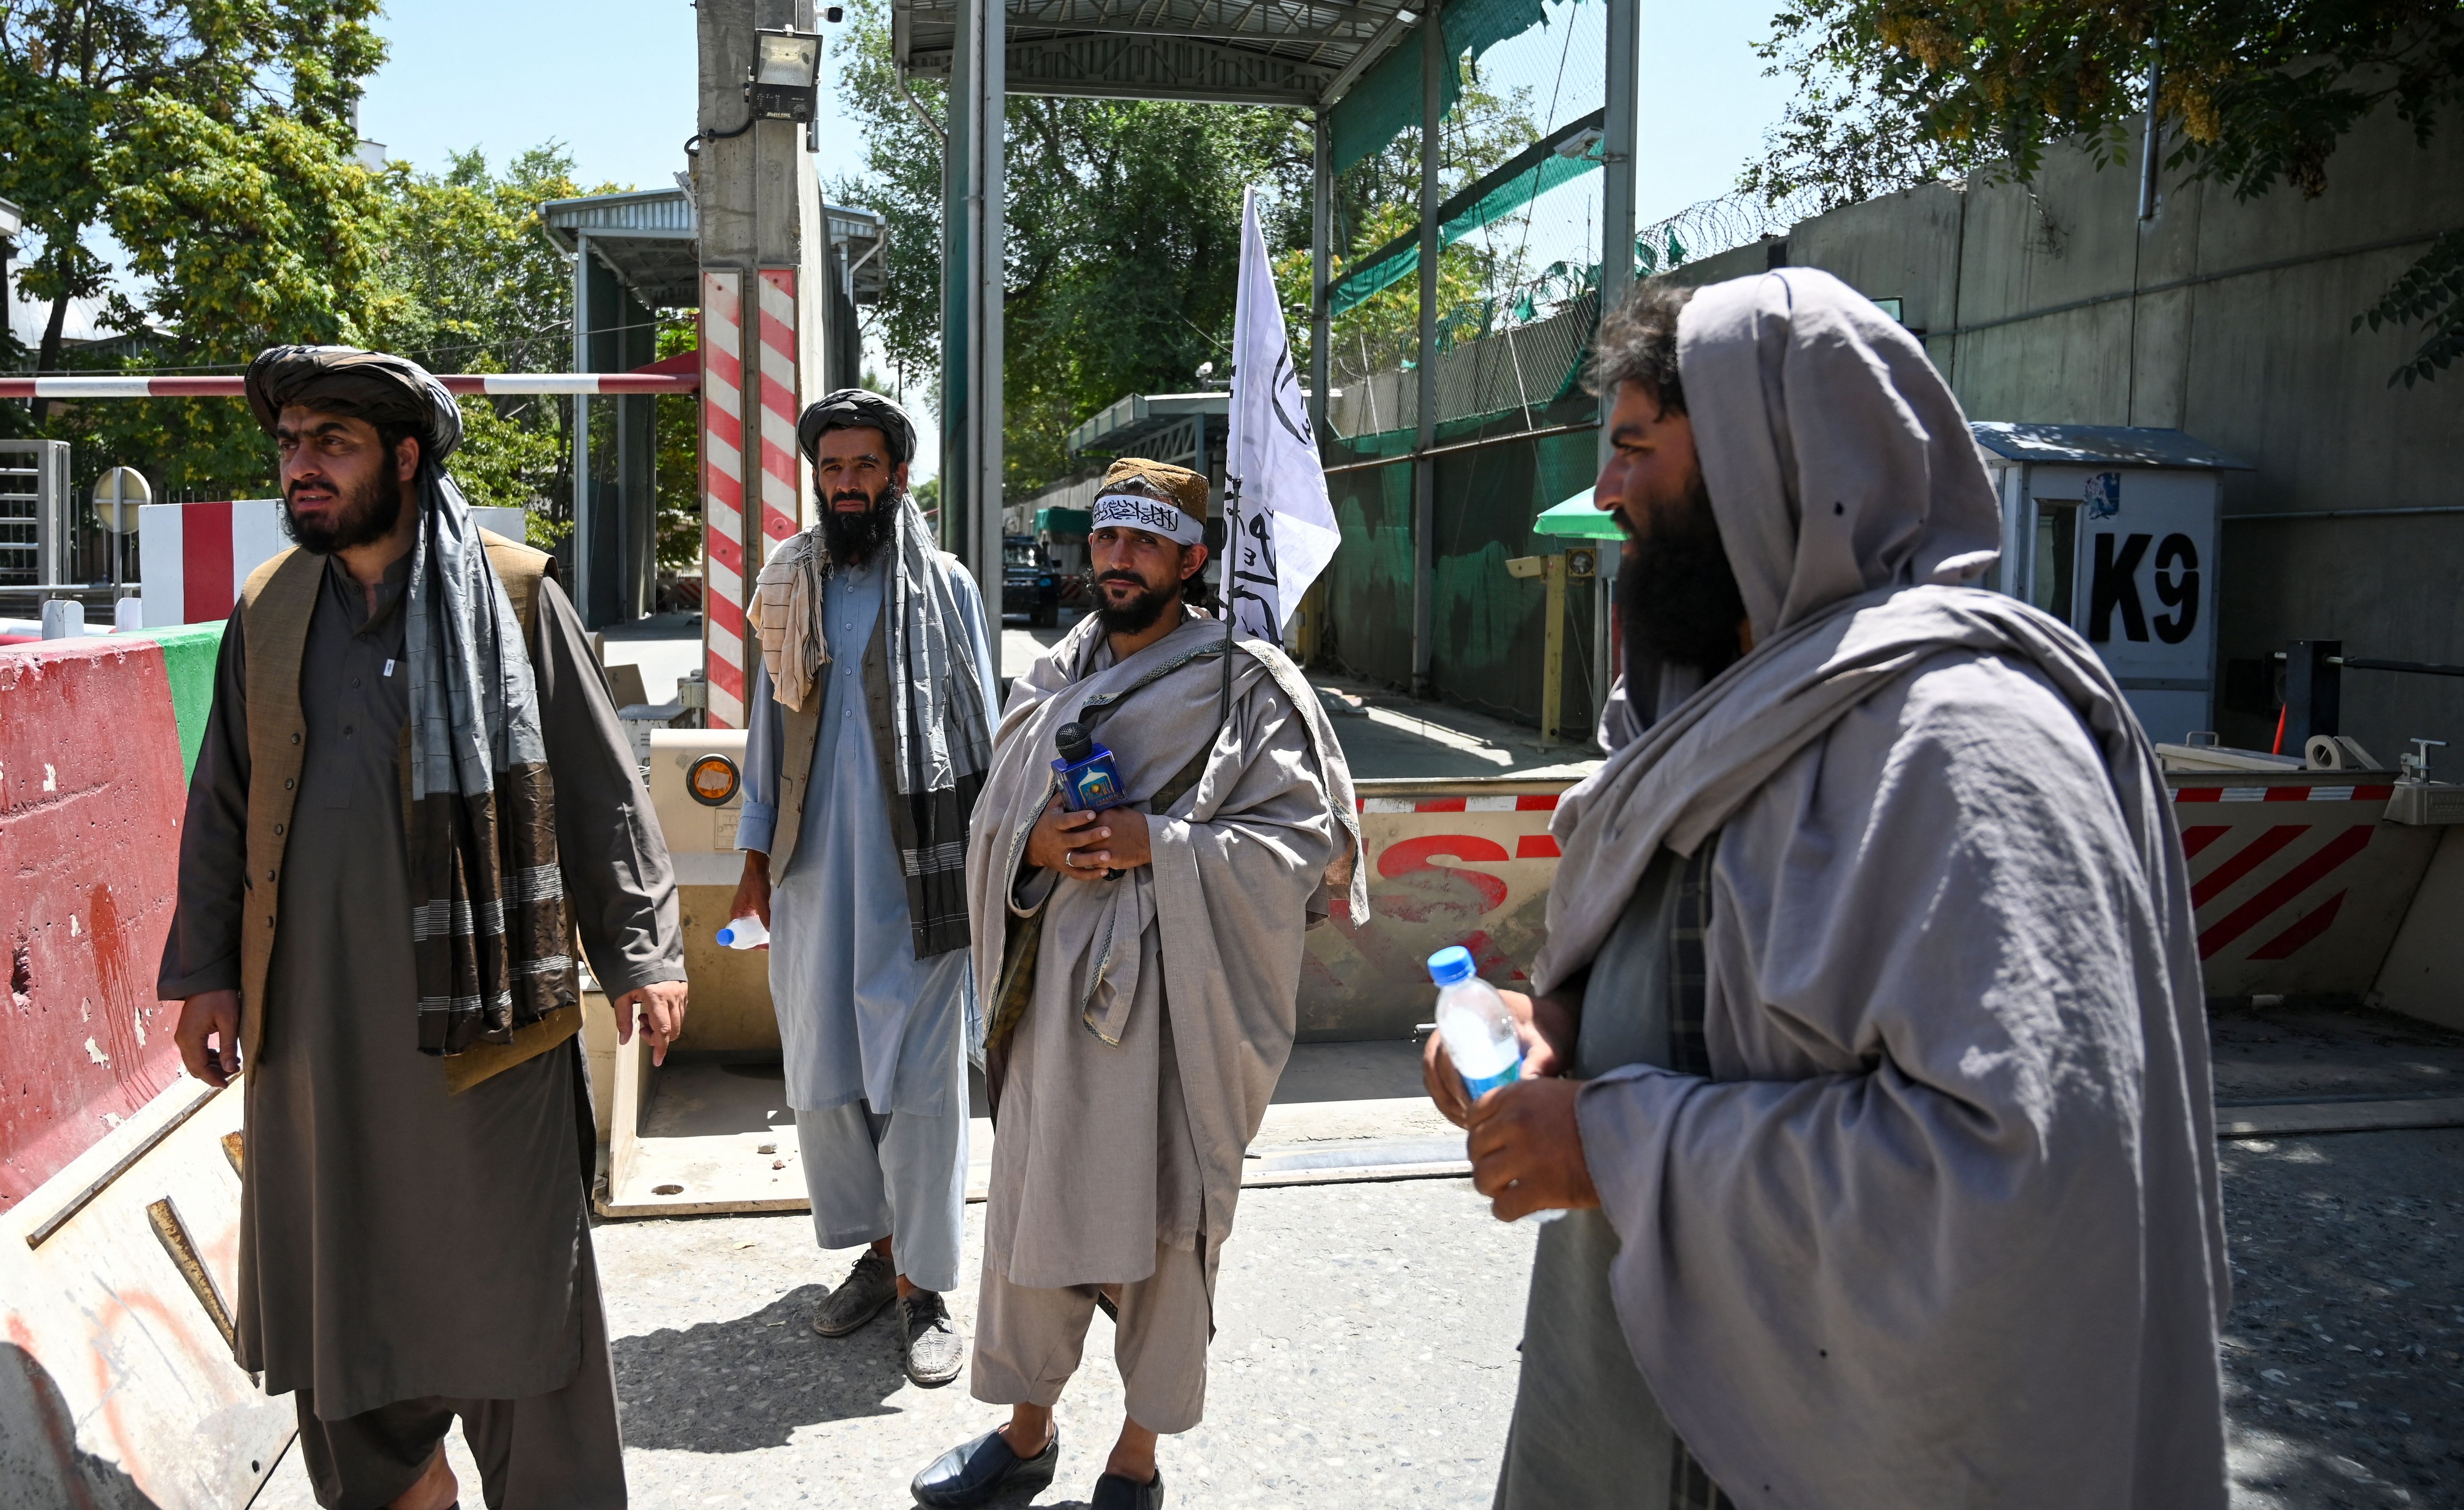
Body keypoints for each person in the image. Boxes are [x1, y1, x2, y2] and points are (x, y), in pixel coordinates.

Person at [1422, 270, 2229, 1509]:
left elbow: (2016, 1180)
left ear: (1777, 464)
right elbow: (1706, 977)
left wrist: (1612, 1142)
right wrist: (1554, 1029)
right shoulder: (1710, 711)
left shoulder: (1964, 745)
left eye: (1637, 448)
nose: (1607, 493)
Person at [159, 345, 688, 1510]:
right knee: (343, 1289)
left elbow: (602, 793)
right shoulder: (272, 607)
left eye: (330, 446)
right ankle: (399, 1490)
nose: (302, 469)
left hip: (484, 1029)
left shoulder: (511, 592)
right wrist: (206, 973)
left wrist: (642, 951)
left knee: (516, 1292)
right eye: (290, 445)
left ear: (403, 459)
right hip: (317, 1036)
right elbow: (225, 804)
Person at [911, 459, 1364, 1510]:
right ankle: (1026, 1435)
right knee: (1035, 1210)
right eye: (1109, 540)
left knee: (1169, 1227)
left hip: (1177, 1004)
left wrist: (1151, 842)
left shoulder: (1241, 685)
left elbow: (1303, 844)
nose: (1119, 560)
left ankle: (1136, 1459)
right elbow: (991, 825)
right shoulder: (1053, 674)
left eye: (1146, 543)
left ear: (1190, 561)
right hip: (1055, 1001)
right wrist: (1039, 845)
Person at [730, 387, 995, 1387]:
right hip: (809, 878)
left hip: (922, 877)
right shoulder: (791, 583)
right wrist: (753, 864)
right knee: (827, 1072)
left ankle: (928, 1288)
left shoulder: (949, 589)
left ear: (898, 476)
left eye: (864, 468)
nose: (847, 485)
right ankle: (876, 1256)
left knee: (921, 1086)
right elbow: (765, 730)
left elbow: (982, 730)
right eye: (832, 469)